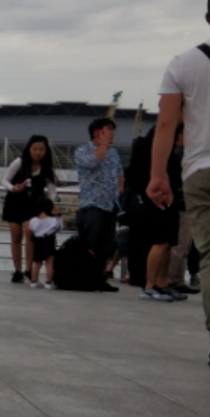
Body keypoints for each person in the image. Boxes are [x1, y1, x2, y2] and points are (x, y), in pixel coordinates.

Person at [148, 0, 210, 368]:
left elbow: (167, 124)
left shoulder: (182, 63)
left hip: (200, 170)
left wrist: (158, 175)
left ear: (208, 18)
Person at [126, 123, 183, 302]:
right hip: (158, 199)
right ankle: (149, 286)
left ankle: (162, 283)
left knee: (168, 243)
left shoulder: (171, 151)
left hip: (171, 198)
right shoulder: (154, 151)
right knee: (159, 241)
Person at [74, 116, 124, 288]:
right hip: (92, 205)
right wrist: (102, 146)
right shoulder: (83, 151)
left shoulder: (114, 153)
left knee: (106, 246)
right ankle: (85, 278)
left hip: (111, 205)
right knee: (90, 244)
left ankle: (99, 279)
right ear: (97, 133)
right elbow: (93, 162)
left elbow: (119, 172)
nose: (112, 134)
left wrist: (119, 189)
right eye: (108, 130)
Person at [2, 135, 56, 283]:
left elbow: (52, 189)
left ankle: (28, 269)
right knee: (16, 235)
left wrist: (48, 204)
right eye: (35, 149)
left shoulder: (46, 167)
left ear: (46, 151)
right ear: (29, 149)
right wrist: (13, 188)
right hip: (14, 202)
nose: (38, 152)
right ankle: (17, 270)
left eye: (41, 149)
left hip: (34, 205)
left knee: (30, 234)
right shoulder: (19, 162)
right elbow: (4, 179)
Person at [27, 205, 61, 288]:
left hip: (38, 241)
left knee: (37, 263)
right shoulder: (53, 220)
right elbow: (59, 227)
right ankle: (48, 282)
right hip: (49, 241)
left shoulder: (33, 220)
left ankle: (34, 281)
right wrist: (59, 217)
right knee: (49, 264)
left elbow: (31, 229)